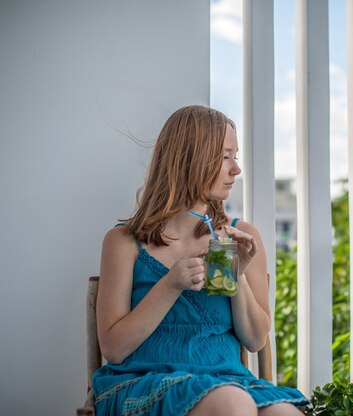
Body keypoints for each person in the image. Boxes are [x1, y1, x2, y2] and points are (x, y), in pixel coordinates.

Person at [93, 105, 307, 415]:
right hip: (143, 383)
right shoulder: (124, 242)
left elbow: (256, 339)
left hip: (229, 381)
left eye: (236, 157)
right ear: (188, 160)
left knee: (284, 413)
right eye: (225, 157)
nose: (236, 169)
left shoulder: (239, 236)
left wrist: (236, 274)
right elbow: (113, 349)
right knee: (232, 402)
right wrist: (171, 284)